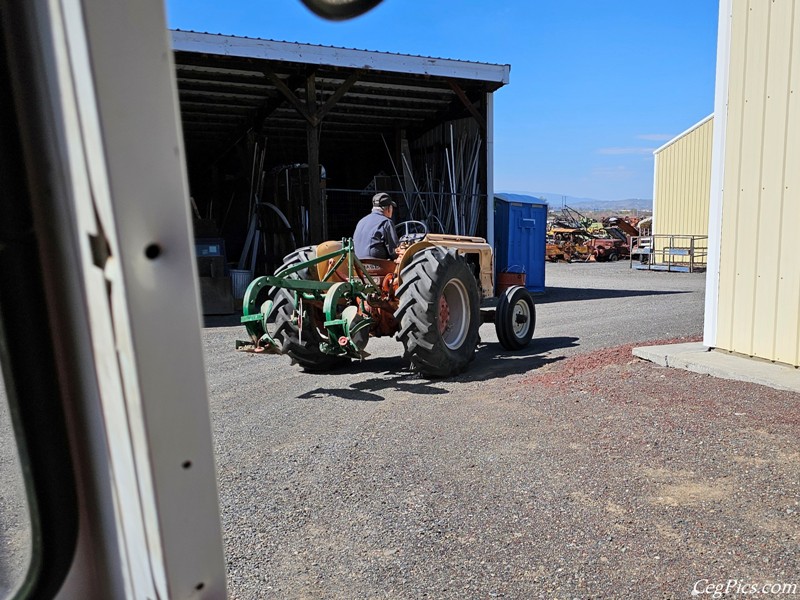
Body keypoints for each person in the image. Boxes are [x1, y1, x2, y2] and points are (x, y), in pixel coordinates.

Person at [353, 192, 400, 260]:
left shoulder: (361, 221)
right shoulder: (386, 222)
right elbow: (394, 251)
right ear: (389, 208)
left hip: (358, 264)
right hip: (376, 264)